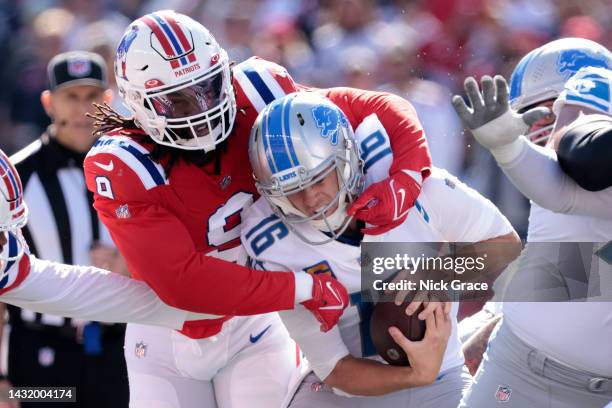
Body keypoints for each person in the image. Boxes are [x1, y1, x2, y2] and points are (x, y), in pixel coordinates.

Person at [83, 10, 432, 407]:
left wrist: (407, 175)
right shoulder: (123, 166)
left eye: (209, 88)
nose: (200, 110)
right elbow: (182, 282)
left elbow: (379, 108)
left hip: (259, 325)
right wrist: (305, 287)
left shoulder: (259, 92)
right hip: (170, 336)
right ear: (139, 104)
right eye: (177, 101)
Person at [242, 92, 520, 407]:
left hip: (441, 382)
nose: (310, 200)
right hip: (344, 394)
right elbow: (335, 368)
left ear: (346, 156)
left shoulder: (416, 189)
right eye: (291, 189)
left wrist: (437, 275)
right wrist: (416, 374)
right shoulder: (274, 245)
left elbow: (504, 243)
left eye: (319, 179)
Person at [453, 38, 612, 408]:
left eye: (549, 109)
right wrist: (508, 148)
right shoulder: (561, 178)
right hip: (520, 367)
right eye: (534, 112)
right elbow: (563, 193)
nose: (542, 124)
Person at [2, 50, 134, 408]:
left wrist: (130, 263)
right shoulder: (16, 176)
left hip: (118, 349)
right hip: (38, 356)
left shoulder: (133, 167)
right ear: (49, 103)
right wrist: (0, 378)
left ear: (108, 100)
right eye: (70, 97)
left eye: (92, 96)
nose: (81, 108)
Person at [451, 39, 612, 219]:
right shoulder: (552, 186)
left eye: (549, 113)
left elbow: (587, 161)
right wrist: (504, 146)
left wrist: (506, 148)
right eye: (528, 114)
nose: (536, 127)